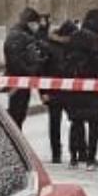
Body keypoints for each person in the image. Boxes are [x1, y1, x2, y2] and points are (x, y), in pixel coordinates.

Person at [59, 8, 98, 169]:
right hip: (93, 89)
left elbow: (64, 63)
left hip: (74, 88)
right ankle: (90, 158)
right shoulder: (97, 41)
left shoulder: (73, 38)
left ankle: (74, 157)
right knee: (94, 124)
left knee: (76, 122)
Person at [2, 7, 51, 128]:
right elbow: (16, 61)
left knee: (19, 115)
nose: (37, 26)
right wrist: (31, 70)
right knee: (16, 116)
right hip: (19, 82)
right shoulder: (19, 36)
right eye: (35, 23)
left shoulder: (24, 35)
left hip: (22, 81)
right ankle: (14, 143)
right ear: (29, 22)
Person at [41, 20, 77, 163]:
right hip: (54, 91)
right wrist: (43, 92)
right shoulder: (50, 48)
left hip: (69, 90)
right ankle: (56, 153)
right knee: (55, 123)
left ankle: (75, 152)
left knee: (75, 121)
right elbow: (42, 70)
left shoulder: (73, 47)